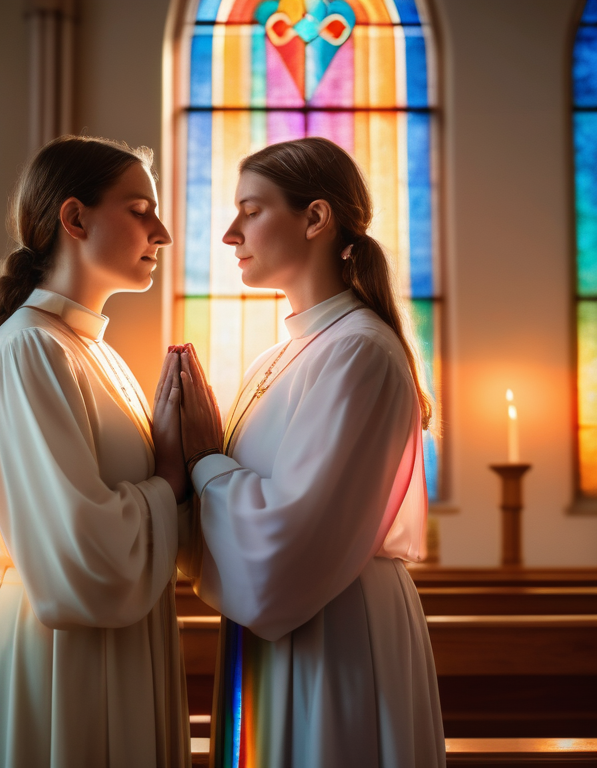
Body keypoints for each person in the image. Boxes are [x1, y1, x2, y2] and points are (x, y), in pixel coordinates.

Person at [167, 137, 445, 767]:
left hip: (334, 626)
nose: (230, 234)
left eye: (251, 210)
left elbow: (291, 525)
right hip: (285, 621)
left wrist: (205, 461)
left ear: (316, 218)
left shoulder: (359, 351)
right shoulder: (283, 354)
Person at [0, 135, 191, 768]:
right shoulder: (32, 350)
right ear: (74, 218)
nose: (160, 232)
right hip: (59, 654)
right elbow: (83, 545)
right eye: (140, 209)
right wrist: (170, 475)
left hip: (113, 644)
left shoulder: (92, 351)